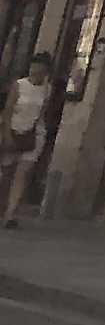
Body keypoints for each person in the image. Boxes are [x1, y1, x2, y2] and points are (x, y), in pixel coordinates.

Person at [1, 53, 53, 228]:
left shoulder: (47, 89)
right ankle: (3, 204)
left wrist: (39, 131)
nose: (37, 72)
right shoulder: (19, 85)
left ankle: (11, 214)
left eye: (41, 70)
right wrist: (7, 133)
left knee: (22, 173)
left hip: (34, 134)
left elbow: (43, 113)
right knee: (7, 171)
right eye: (35, 67)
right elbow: (8, 110)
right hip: (14, 130)